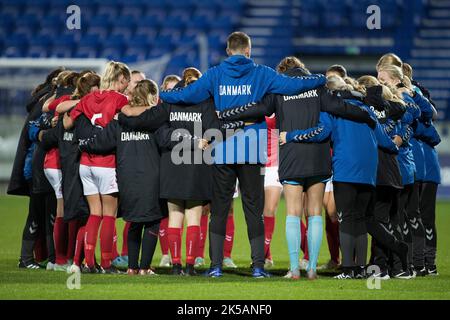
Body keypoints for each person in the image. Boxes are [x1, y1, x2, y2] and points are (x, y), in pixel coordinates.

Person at [159, 31, 327, 278]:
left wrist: (162, 95)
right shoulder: (263, 73)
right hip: (253, 148)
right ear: (248, 51)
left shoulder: (215, 74)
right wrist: (320, 79)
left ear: (228, 51)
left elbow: (186, 95)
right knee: (253, 209)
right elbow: (295, 85)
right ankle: (258, 266)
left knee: (219, 209)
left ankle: (216, 266)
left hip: (222, 148)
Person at [217, 57, 376, 279]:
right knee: (314, 214)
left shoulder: (279, 89)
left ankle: (294, 268)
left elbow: (257, 108)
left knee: (292, 213)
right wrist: (367, 115)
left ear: (282, 72)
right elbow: (341, 107)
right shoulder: (316, 87)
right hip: (318, 157)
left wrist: (225, 114)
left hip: (292, 156)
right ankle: (311, 268)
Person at [280, 75, 407, 279]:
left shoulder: (332, 110)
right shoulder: (367, 110)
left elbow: (321, 132)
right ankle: (361, 268)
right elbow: (385, 140)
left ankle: (348, 269)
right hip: (368, 172)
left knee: (346, 220)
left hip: (346, 169)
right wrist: (397, 143)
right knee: (362, 220)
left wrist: (291, 136)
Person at [80, 79, 165, 276]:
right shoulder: (156, 120)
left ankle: (132, 267)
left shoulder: (120, 120)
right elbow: (164, 141)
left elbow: (101, 142)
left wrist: (82, 145)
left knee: (134, 222)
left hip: (126, 177)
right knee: (152, 221)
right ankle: (144, 267)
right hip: (150, 177)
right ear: (152, 96)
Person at [64, 61, 131, 273]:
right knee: (109, 215)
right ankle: (106, 263)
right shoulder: (120, 100)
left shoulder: (87, 98)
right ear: (120, 80)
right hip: (107, 163)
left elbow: (67, 123)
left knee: (94, 213)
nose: (127, 87)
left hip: (85, 163)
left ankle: (88, 263)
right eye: (126, 83)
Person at [9, 68, 64, 269]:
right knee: (44, 214)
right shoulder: (48, 103)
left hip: (36, 168)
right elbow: (34, 130)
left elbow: (32, 129)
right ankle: (40, 259)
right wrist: (46, 133)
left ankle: (37, 258)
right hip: (40, 168)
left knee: (41, 214)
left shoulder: (44, 101)